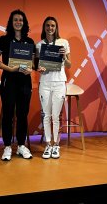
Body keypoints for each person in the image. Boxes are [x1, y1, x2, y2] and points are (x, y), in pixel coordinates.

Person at [0, 9, 35, 161]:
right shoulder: (3, 40)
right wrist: (10, 69)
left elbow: (31, 63)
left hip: (24, 81)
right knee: (8, 114)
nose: (18, 22)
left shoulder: (29, 42)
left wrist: (30, 69)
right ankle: (7, 146)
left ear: (24, 23)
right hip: (9, 81)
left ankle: (21, 146)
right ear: (11, 23)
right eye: (15, 20)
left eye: (21, 20)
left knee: (23, 114)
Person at [36, 17, 71, 159]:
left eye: (53, 25)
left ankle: (56, 145)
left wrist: (63, 57)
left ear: (56, 27)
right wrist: (39, 68)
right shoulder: (39, 45)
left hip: (59, 83)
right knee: (46, 115)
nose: (50, 28)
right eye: (48, 25)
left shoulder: (64, 43)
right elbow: (37, 65)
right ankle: (48, 144)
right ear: (44, 28)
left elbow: (69, 65)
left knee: (56, 116)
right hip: (44, 82)